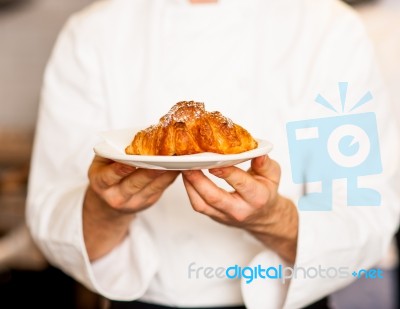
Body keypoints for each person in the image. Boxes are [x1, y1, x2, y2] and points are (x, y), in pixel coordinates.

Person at [26, 0, 400, 308]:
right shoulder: (93, 33)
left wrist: (275, 220)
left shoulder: (327, 30)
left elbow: (363, 213)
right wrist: (104, 210)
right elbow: (50, 212)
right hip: (144, 301)